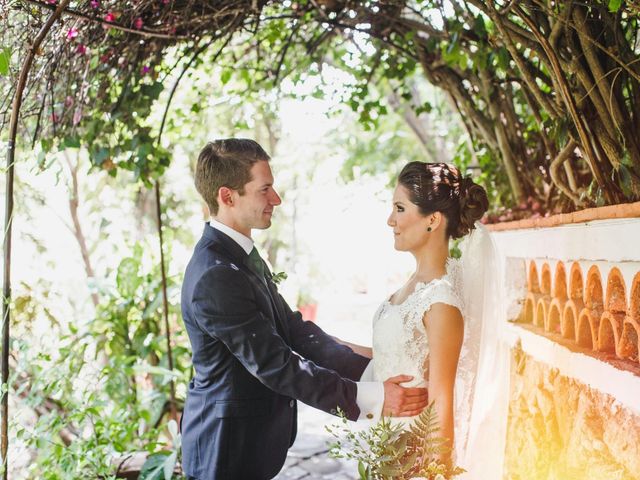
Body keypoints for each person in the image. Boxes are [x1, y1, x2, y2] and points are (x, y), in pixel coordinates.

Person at [180, 139, 429, 480]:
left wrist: (375, 370)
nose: (276, 199)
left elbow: (297, 332)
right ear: (227, 197)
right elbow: (277, 365)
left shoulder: (237, 256)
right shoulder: (215, 275)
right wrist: (371, 398)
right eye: (264, 189)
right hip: (225, 451)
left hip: (250, 445)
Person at [340, 161, 490, 468]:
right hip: (388, 449)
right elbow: (398, 355)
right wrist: (328, 344)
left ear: (432, 220)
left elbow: (441, 400)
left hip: (413, 458)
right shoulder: (413, 286)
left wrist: (434, 473)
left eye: (399, 208)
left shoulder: (441, 302)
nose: (389, 220)